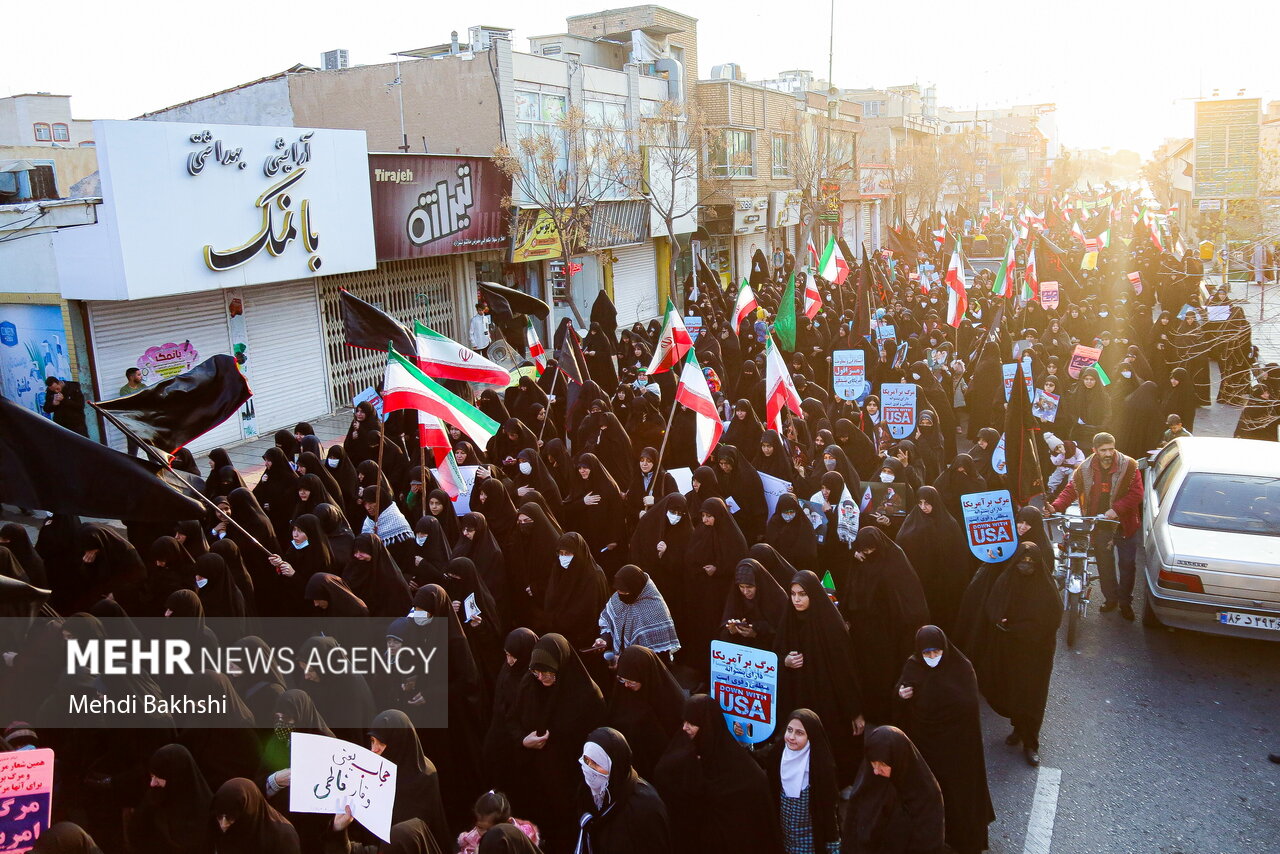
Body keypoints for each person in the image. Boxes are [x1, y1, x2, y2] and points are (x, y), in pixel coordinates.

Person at [895, 626, 994, 854]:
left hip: (958, 749)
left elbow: (969, 707)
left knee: (960, 798)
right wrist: (901, 695)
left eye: (936, 652)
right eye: (926, 653)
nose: (931, 658)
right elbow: (899, 697)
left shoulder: (961, 668)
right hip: (926, 748)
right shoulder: (913, 666)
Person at [652, 694, 784, 854]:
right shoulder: (684, 748)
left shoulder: (742, 769)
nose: (684, 728)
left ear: (707, 725)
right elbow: (664, 774)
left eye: (691, 723)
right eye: (684, 721)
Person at [1050, 431, 1144, 620]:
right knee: (1104, 564)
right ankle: (1111, 599)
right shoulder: (1084, 468)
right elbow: (1071, 490)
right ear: (1094, 450)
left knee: (1127, 565)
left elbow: (1137, 494)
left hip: (1125, 524)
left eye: (1111, 449)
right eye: (1103, 450)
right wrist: (1055, 506)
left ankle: (1125, 602)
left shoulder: (1131, 466)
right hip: (1099, 525)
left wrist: (1115, 510)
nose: (1108, 454)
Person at [842, 726, 945, 854]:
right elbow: (852, 833)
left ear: (898, 759)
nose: (876, 770)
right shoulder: (868, 782)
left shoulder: (926, 795)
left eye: (883, 764)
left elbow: (928, 843)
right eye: (873, 763)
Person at [575, 727, 674, 854]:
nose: (589, 769)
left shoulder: (646, 807)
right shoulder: (585, 791)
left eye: (596, 764)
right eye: (586, 760)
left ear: (615, 765)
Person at [757, 709, 841, 854]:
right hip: (782, 842)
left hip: (809, 845)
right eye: (789, 730)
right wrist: (741, 733)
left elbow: (829, 813)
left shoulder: (821, 767)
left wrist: (833, 849)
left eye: (800, 733)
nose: (791, 737)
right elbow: (752, 760)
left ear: (811, 736)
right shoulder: (777, 754)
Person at [457, 790, 540, 854]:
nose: (486, 834)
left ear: (506, 824)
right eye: (481, 827)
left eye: (491, 829)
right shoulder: (473, 838)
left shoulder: (519, 835)